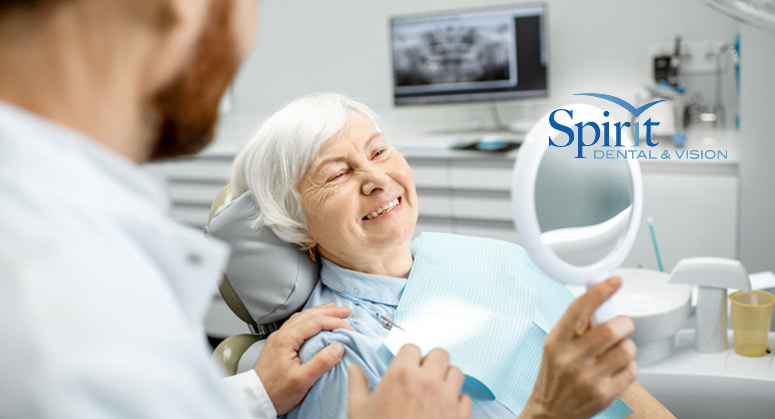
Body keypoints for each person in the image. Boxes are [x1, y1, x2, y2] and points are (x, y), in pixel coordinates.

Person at [0, 1, 470, 418]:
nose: (250, 36)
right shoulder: (57, 296)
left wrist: (257, 394)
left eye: (380, 152)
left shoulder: (60, 238)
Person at [230, 93, 677, 419]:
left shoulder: (484, 255)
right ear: (297, 223)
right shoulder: (333, 357)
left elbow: (613, 380)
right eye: (338, 173)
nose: (377, 179)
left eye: (379, 151)